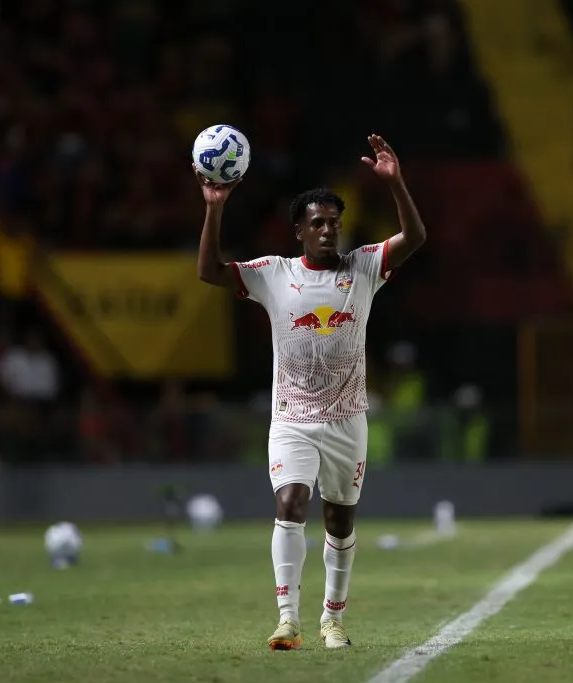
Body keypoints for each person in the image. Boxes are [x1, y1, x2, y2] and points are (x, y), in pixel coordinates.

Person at [195, 134, 426, 650]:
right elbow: (208, 270)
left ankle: (332, 617)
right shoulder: (274, 274)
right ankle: (287, 619)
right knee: (291, 502)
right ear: (298, 230)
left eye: (334, 223)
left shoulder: (364, 267)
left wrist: (396, 184)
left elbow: (414, 237)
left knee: (339, 522)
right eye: (317, 223)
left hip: (347, 421)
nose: (328, 230)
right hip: (292, 419)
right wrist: (215, 209)